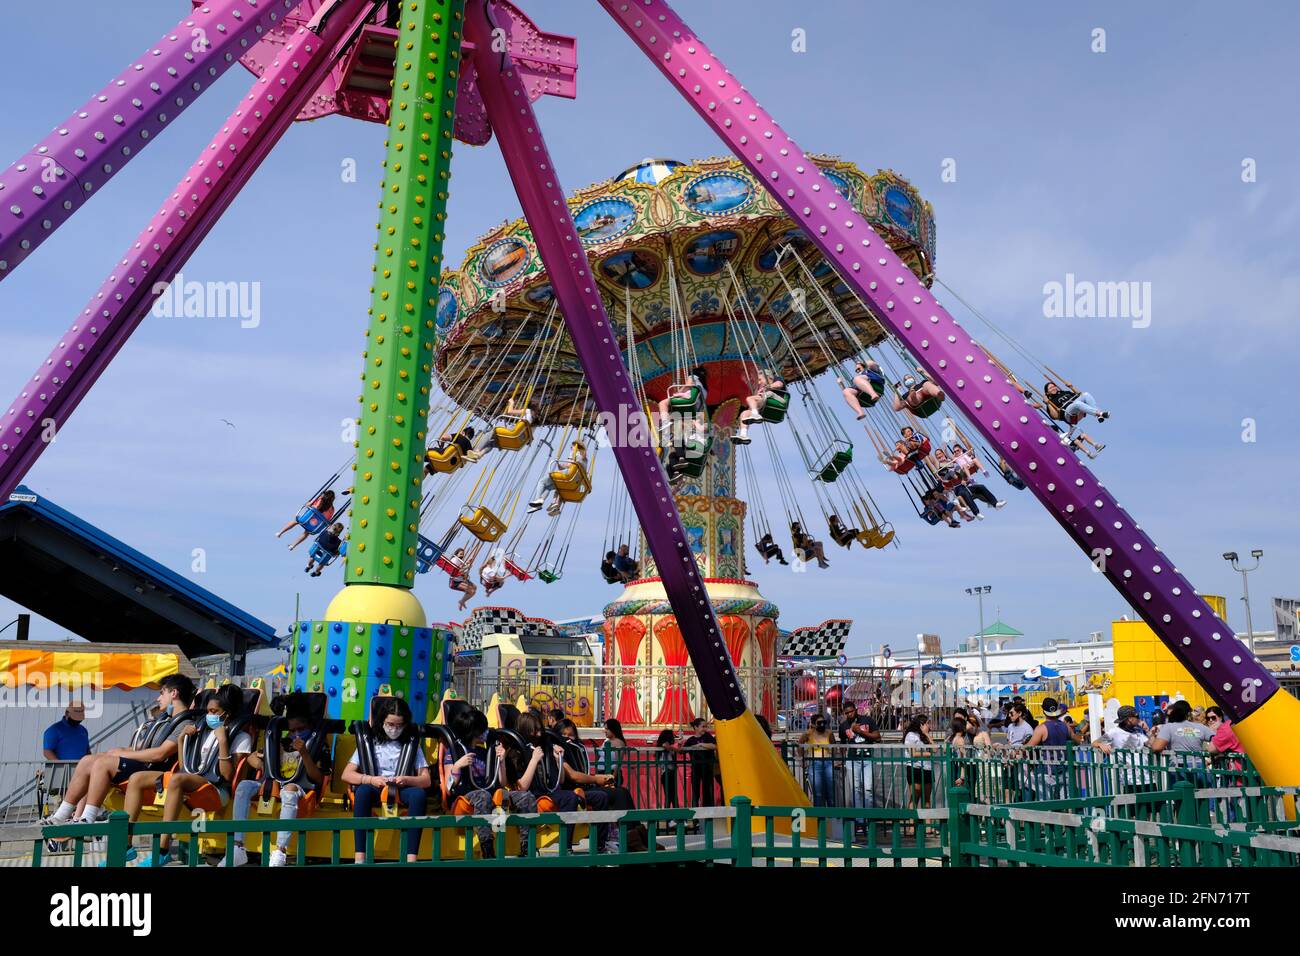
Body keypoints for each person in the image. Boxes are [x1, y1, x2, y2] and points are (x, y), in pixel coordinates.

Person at [42, 675, 197, 828]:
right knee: (88, 760)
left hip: (154, 772)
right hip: (144, 764)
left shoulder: (184, 723)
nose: (158, 698)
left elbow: (160, 754)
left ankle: (88, 817)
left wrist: (122, 754)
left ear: (174, 693)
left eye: (162, 693)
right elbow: (141, 747)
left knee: (103, 764)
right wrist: (118, 750)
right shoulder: (165, 721)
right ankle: (61, 815)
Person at [124, 684, 254, 866]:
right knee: (137, 778)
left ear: (227, 713)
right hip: (192, 779)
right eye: (208, 711)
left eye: (214, 711)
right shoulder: (203, 732)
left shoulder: (240, 738)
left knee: (177, 779)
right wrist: (181, 739)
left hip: (216, 790)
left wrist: (223, 741)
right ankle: (125, 846)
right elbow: (186, 766)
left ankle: (162, 850)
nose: (209, 715)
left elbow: (228, 776)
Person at [225, 694, 325, 867]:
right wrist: (261, 763)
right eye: (292, 730)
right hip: (273, 782)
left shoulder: (317, 744)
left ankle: (280, 850)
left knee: (289, 790)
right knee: (243, 786)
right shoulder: (282, 741)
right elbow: (251, 758)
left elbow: (318, 777)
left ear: (309, 726)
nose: (296, 734)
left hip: (300, 786)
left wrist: (304, 754)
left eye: (300, 729)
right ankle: (238, 846)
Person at [341, 697, 431, 863]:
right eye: (390, 724)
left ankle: (411, 858)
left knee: (419, 795)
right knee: (362, 792)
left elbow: (426, 780)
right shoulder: (371, 742)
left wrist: (407, 779)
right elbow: (346, 774)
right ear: (382, 721)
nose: (394, 729)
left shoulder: (411, 744)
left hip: (402, 788)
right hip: (375, 784)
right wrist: (369, 779)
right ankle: (360, 857)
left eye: (399, 725)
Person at [1026, 382, 1106, 457]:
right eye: (1050, 388)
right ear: (1047, 393)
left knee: (1086, 394)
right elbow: (1055, 416)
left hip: (1078, 408)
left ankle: (1099, 415)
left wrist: (1071, 387)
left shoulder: (1065, 393)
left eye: (1054, 386)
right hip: (1069, 414)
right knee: (1076, 404)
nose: (1053, 388)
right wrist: (1047, 403)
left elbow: (1080, 396)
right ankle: (1098, 414)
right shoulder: (1051, 402)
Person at [1149, 699, 1218, 785]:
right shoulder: (1200, 727)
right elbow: (1217, 740)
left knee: (1182, 797)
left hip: (1179, 767)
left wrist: (1152, 737)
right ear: (1188, 713)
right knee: (1204, 796)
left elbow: (1157, 747)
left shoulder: (1169, 727)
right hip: (1200, 767)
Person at [1092, 705, 1154, 794]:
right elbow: (1094, 743)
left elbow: (1151, 745)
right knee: (1134, 806)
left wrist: (1148, 731)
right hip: (1130, 779)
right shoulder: (1114, 732)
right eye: (1137, 717)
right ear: (1129, 719)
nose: (1139, 720)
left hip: (1148, 776)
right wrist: (1100, 745)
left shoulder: (1137, 731)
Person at [838, 702, 879, 836]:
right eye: (846, 713)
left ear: (856, 710)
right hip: (852, 760)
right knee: (856, 789)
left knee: (868, 788)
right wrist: (842, 758)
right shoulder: (843, 726)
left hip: (867, 758)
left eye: (851, 711)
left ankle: (868, 820)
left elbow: (877, 737)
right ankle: (859, 822)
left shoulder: (867, 720)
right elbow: (842, 743)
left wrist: (860, 731)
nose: (849, 714)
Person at [527, 438, 588, 515]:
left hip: (568, 476)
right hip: (575, 481)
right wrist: (559, 464)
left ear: (575, 446)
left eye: (571, 447)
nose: (571, 448)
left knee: (542, 482)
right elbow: (566, 466)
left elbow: (569, 465)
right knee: (549, 487)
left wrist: (559, 462)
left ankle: (537, 499)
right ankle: (542, 501)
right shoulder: (585, 459)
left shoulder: (575, 453)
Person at [657, 366, 709, 448]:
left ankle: (665, 424)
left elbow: (688, 385)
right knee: (677, 420)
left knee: (662, 403)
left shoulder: (693, 376)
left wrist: (678, 392)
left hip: (688, 401)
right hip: (696, 407)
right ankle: (671, 434)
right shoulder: (705, 389)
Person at [734, 369, 788, 443]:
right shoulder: (760, 389)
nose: (759, 382)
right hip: (764, 403)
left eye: (760, 379)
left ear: (769, 378)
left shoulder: (776, 379)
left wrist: (767, 387)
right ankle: (743, 435)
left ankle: (755, 414)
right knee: (744, 413)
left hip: (778, 400)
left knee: (750, 398)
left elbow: (779, 384)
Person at [681, 718, 718, 808]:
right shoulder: (691, 740)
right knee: (695, 791)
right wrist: (679, 744)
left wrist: (701, 745)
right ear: (696, 727)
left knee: (707, 790)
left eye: (706, 726)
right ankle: (696, 814)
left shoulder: (707, 736)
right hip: (696, 768)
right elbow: (682, 751)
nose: (705, 729)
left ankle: (708, 812)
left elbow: (714, 746)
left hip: (707, 767)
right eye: (703, 726)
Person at [799, 714, 835, 806]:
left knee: (830, 790)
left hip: (828, 763)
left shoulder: (829, 733)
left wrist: (835, 760)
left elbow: (834, 747)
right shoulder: (808, 734)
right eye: (819, 723)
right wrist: (801, 759)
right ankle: (820, 817)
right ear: (814, 724)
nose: (822, 725)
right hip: (814, 763)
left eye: (824, 722)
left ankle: (833, 815)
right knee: (818, 792)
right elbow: (800, 745)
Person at [902, 715, 934, 809]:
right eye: (927, 723)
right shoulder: (911, 735)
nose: (929, 726)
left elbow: (935, 749)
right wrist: (927, 754)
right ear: (921, 724)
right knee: (915, 798)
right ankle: (912, 823)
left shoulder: (924, 736)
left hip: (927, 768)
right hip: (915, 767)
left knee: (927, 800)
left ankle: (928, 824)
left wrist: (927, 734)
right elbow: (913, 753)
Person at [655, 729, 680, 808]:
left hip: (668, 773)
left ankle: (673, 815)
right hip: (667, 773)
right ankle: (673, 815)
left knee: (671, 795)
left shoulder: (663, 747)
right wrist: (674, 747)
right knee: (671, 796)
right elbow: (666, 746)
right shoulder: (666, 745)